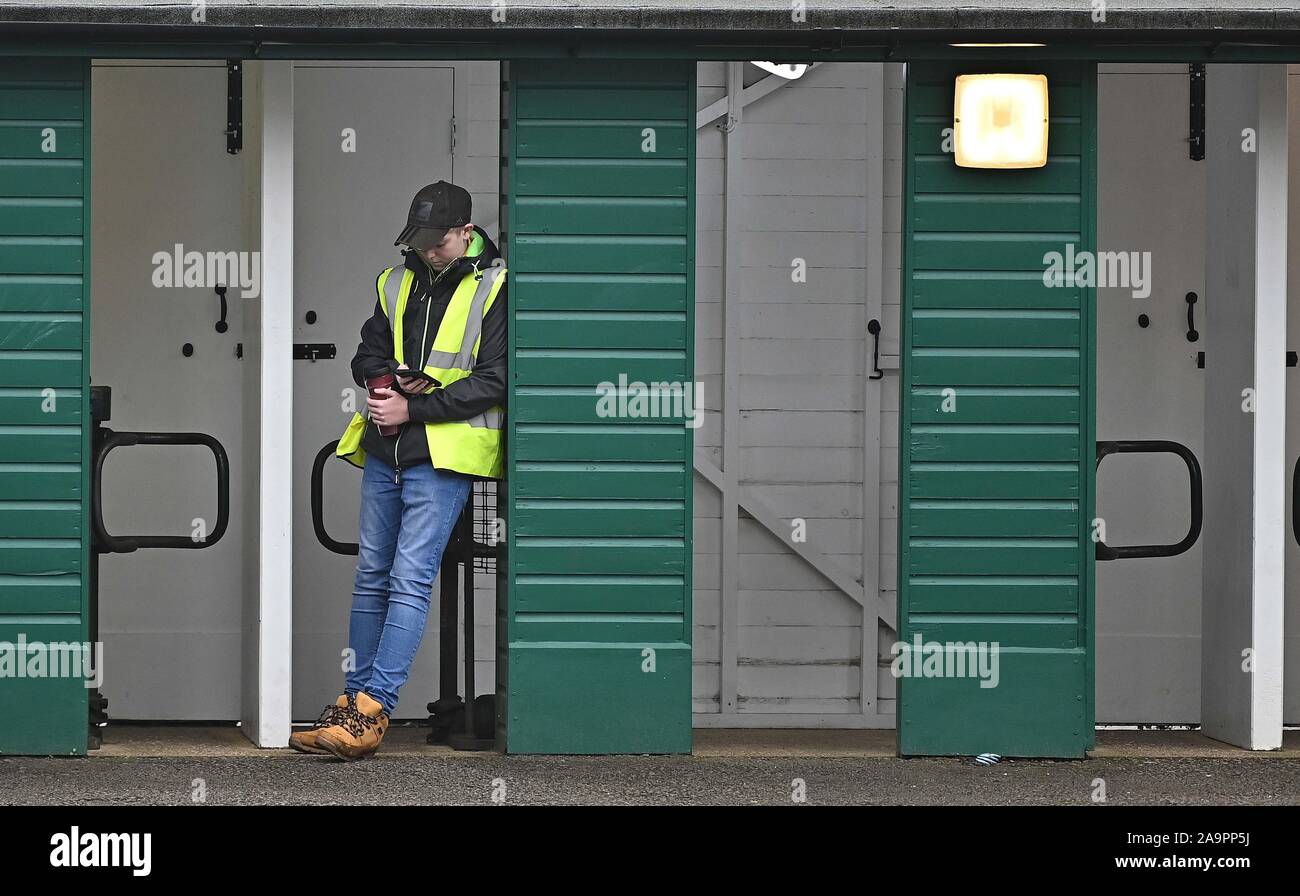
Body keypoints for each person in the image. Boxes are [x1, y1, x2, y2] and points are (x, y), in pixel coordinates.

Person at [289, 181, 507, 760]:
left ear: (467, 233)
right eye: (421, 241)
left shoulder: (494, 287)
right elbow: (366, 351)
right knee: (371, 577)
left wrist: (416, 404)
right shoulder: (397, 279)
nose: (429, 251)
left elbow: (494, 380)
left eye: (439, 242)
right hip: (388, 449)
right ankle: (351, 703)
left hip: (444, 455)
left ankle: (373, 708)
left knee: (408, 579)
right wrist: (384, 381)